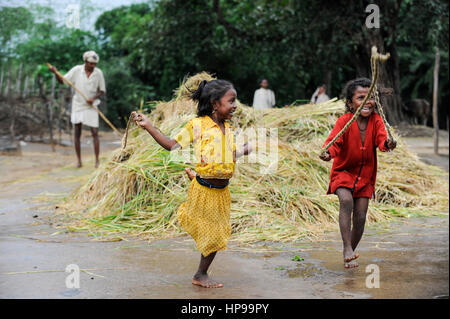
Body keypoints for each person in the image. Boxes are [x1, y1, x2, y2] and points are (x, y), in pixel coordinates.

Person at [132, 79, 251, 288]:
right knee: (213, 235)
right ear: (215, 103)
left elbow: (226, 155)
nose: (235, 105)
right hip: (205, 190)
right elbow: (172, 145)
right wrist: (149, 126)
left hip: (222, 192)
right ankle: (200, 274)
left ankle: (201, 273)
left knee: (217, 234)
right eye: (231, 101)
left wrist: (243, 150)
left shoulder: (229, 128)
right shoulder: (197, 125)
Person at [319, 78, 396, 268]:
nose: (367, 101)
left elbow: (382, 139)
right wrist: (328, 153)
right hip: (343, 173)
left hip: (365, 177)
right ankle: (347, 247)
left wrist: (388, 143)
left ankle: (350, 252)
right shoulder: (343, 121)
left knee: (360, 217)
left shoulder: (377, 120)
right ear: (350, 103)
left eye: (370, 97)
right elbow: (333, 142)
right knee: (346, 201)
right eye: (361, 97)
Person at [49, 51, 106, 168]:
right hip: (78, 105)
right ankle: (79, 161)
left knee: (95, 133)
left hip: (91, 105)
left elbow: (102, 90)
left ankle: (97, 161)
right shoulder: (76, 70)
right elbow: (63, 81)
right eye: (90, 64)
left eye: (94, 64)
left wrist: (93, 98)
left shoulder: (98, 73)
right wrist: (56, 73)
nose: (93, 66)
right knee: (77, 132)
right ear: (85, 62)